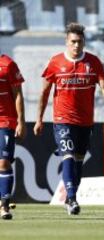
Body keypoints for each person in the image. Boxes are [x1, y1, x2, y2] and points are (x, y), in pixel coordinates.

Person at [33, 22, 104, 215]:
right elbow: (44, 92)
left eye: (79, 41)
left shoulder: (93, 62)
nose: (76, 45)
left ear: (84, 42)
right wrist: (39, 119)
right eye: (73, 42)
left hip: (85, 122)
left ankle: (71, 195)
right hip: (62, 119)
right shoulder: (55, 62)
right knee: (68, 155)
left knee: (78, 161)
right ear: (67, 42)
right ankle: (71, 198)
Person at [0, 54, 26, 220]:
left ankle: (4, 206)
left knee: (3, 162)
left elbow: (18, 94)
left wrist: (21, 122)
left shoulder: (8, 64)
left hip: (5, 120)